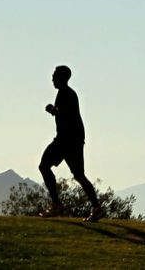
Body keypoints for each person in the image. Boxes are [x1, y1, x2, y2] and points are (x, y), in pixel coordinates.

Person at [38, 65, 104, 222]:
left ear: (61, 78)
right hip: (71, 139)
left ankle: (57, 204)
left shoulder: (67, 94)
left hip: (67, 140)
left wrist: (53, 110)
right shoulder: (65, 93)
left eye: (55, 75)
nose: (52, 78)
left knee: (45, 166)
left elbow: (67, 114)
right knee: (78, 175)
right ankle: (96, 207)